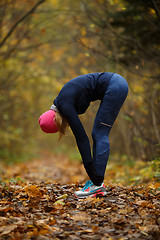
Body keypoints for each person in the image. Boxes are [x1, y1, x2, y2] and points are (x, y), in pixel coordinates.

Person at [39, 72, 129, 198]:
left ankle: (97, 185)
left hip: (115, 85)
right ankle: (97, 184)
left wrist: (89, 168)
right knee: (99, 133)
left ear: (56, 119)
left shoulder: (65, 104)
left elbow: (81, 138)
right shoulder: (62, 101)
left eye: (61, 126)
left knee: (99, 133)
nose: (65, 126)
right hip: (118, 84)